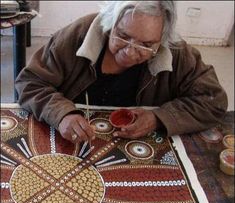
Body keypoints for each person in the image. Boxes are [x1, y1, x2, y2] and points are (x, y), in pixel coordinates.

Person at [15, 1, 228, 144]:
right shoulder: (77, 35)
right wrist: (61, 114)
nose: (129, 52)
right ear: (110, 23)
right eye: (123, 36)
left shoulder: (176, 53)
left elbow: (213, 100)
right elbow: (30, 82)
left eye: (146, 44)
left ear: (162, 39)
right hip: (73, 143)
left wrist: (158, 118)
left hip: (139, 149)